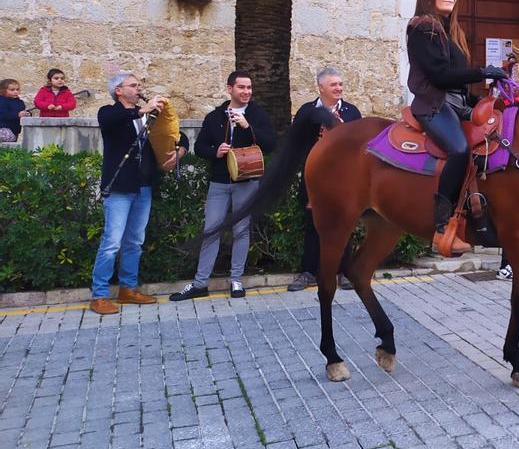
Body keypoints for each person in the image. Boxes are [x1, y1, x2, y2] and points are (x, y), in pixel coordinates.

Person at [406, 0, 507, 252]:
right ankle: (441, 227)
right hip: (433, 106)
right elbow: (439, 75)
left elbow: (458, 85)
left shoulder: (451, 33)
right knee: (460, 149)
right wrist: (483, 71)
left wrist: (486, 99)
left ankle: (482, 217)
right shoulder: (422, 27)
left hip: (456, 105)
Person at [171, 72, 276, 301]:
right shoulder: (214, 117)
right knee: (211, 231)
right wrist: (215, 152)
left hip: (246, 182)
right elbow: (199, 147)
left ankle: (236, 281)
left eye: (249, 87)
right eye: (241, 87)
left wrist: (248, 127)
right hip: (219, 183)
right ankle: (200, 283)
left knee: (241, 231)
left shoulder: (257, 115)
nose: (247, 92)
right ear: (230, 89)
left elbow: (270, 144)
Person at [90, 72, 186, 315]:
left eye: (139, 85)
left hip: (144, 185)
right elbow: (113, 120)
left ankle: (128, 289)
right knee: (112, 242)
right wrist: (143, 111)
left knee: (134, 241)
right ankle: (99, 295)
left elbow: (175, 132)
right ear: (119, 91)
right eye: (133, 85)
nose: (139, 88)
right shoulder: (110, 112)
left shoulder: (147, 116)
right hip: (120, 186)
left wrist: (181, 149)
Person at [287, 67, 363, 292]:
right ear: (321, 87)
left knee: (344, 225)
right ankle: (308, 272)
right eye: (334, 85)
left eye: (340, 84)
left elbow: (360, 144)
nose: (339, 88)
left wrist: (342, 127)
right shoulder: (307, 111)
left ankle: (345, 272)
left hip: (343, 181)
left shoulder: (351, 112)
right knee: (313, 226)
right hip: (314, 180)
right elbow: (296, 142)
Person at [0, 78, 30, 142]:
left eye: (17, 89)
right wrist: (17, 115)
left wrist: (27, 114)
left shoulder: (20, 102)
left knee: (10, 147)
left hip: (15, 130)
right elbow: (3, 115)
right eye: (12, 90)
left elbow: (24, 111)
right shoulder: (2, 101)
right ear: (3, 91)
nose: (16, 91)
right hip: (3, 128)